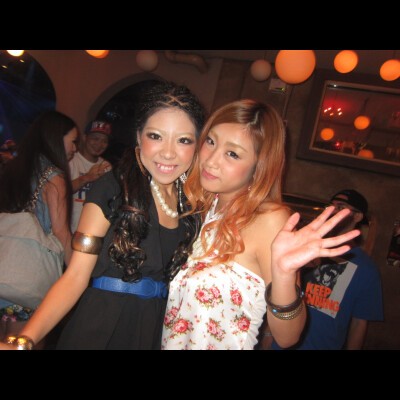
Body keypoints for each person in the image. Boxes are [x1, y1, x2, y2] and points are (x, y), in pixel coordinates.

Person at [0, 80, 206, 350]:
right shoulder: (112, 188)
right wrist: (24, 341)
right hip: (103, 325)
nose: (168, 152)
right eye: (155, 136)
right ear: (138, 136)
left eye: (183, 140)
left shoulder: (192, 203)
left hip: (157, 329)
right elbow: (75, 276)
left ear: (197, 145)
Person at [161, 100, 360, 350]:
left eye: (232, 154)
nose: (210, 160)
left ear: (259, 166)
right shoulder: (204, 208)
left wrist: (284, 275)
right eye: (210, 141)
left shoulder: (269, 219)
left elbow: (288, 337)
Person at [271, 189, 384, 350]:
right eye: (330, 206)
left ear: (357, 216)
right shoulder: (304, 249)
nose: (332, 211)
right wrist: (267, 337)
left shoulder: (366, 268)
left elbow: (359, 323)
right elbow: (276, 294)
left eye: (340, 207)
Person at [0, 111, 78, 344]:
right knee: (25, 343)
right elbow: (61, 233)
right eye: (73, 141)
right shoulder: (54, 177)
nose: (75, 148)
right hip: (26, 279)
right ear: (56, 138)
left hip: (3, 271)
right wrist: (76, 274)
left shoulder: (14, 168)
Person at [69, 120, 112, 232]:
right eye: (95, 138)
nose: (99, 144)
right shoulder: (71, 160)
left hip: (93, 230)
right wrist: (87, 177)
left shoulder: (107, 167)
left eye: (104, 141)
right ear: (85, 137)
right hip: (69, 229)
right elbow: (60, 191)